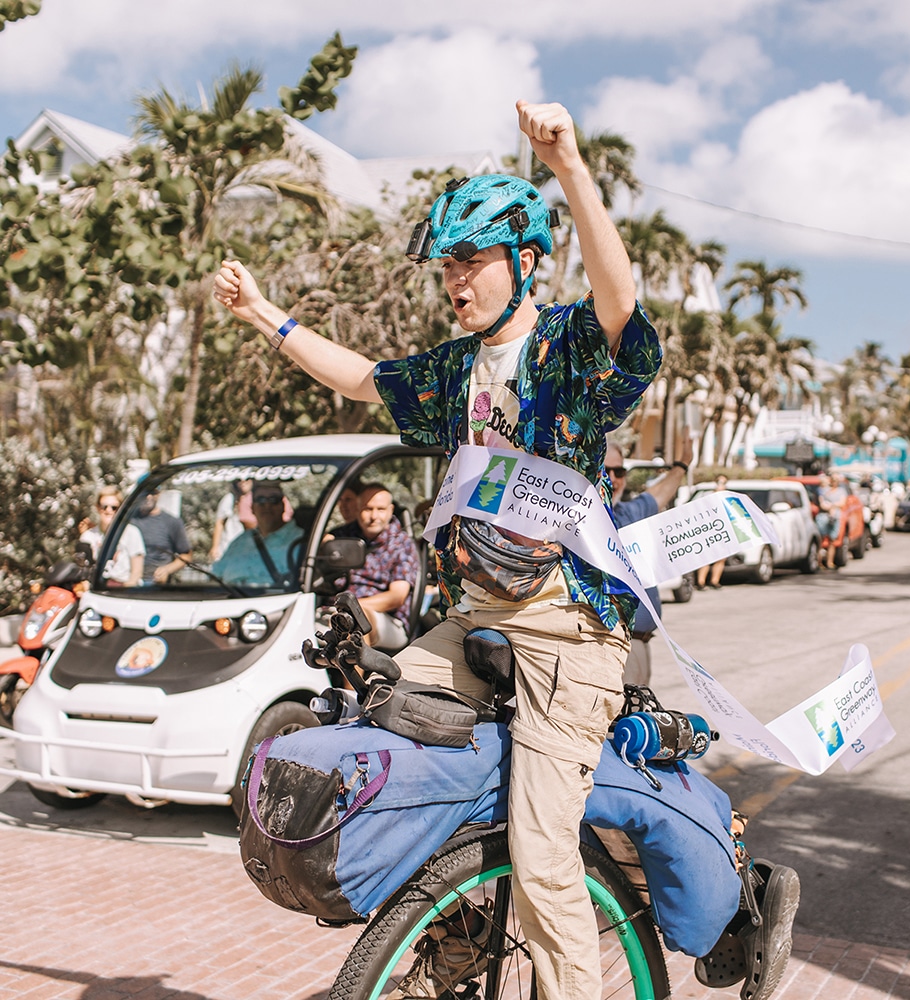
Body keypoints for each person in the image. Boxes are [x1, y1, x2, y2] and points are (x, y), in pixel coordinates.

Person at [214, 100, 797, 1000]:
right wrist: (263, 315)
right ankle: (459, 937)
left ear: (526, 260)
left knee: (543, 855)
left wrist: (567, 165)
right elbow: (364, 380)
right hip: (473, 621)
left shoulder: (566, 348)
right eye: (447, 265)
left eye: (472, 260)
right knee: (386, 742)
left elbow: (620, 304)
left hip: (566, 632)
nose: (455, 280)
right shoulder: (454, 369)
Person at [607, 438, 694, 687]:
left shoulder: (627, 513)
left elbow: (658, 493)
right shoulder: (583, 521)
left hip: (641, 644)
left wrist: (682, 464)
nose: (612, 479)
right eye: (605, 470)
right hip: (613, 644)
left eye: (619, 471)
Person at [331, 483, 420, 652]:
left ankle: (355, 670)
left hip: (387, 619)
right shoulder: (342, 537)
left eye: (380, 509)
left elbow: (396, 597)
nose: (374, 516)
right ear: (357, 509)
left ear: (390, 510)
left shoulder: (402, 544)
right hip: (336, 612)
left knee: (355, 620)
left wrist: (353, 607)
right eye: (367, 509)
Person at [212, 483, 303, 587]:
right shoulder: (239, 543)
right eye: (260, 500)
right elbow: (216, 575)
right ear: (252, 508)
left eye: (274, 500)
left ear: (283, 506)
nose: (267, 506)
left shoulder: (301, 541)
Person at [79, 485, 145, 587]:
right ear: (97, 507)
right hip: (97, 588)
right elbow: (83, 572)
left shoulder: (131, 532)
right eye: (104, 506)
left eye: (114, 508)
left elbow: (136, 573)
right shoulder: (88, 536)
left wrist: (123, 590)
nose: (108, 510)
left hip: (124, 587)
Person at [133, 487, 192, 584]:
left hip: (155, 583)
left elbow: (186, 555)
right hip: (129, 582)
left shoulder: (171, 522)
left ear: (159, 494)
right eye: (145, 492)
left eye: (152, 492)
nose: (148, 496)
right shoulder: (128, 520)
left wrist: (167, 570)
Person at [209, 479, 256, 562]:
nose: (243, 482)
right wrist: (215, 547)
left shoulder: (256, 499)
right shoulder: (229, 499)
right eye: (239, 480)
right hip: (228, 546)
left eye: (247, 479)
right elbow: (219, 522)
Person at [696, 475, 729, 590]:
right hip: (708, 531)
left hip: (722, 531)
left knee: (721, 557)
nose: (720, 485)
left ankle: (715, 581)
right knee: (706, 557)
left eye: (723, 482)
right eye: (719, 482)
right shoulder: (708, 498)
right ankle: (701, 581)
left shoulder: (727, 498)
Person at [816, 471, 847, 569]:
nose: (835, 481)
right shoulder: (824, 490)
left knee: (832, 541)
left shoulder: (841, 491)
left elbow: (842, 503)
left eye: (836, 479)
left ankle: (830, 562)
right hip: (823, 517)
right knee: (820, 540)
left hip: (835, 517)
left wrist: (832, 506)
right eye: (833, 479)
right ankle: (818, 562)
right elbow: (822, 503)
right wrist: (830, 507)